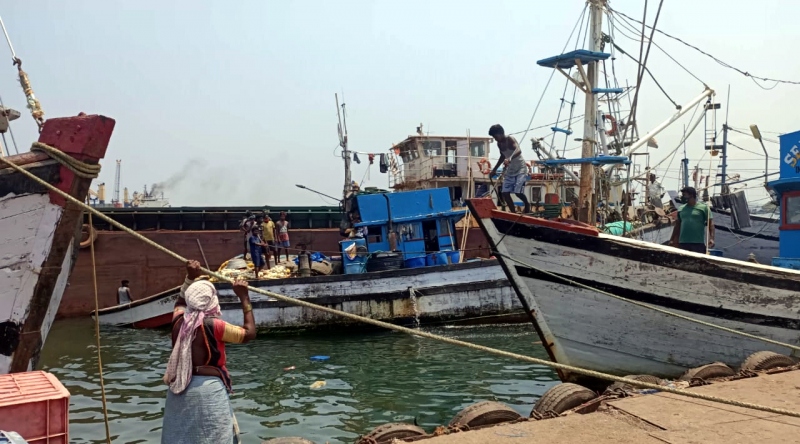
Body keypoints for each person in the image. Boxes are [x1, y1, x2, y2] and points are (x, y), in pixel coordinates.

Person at [161, 260, 256, 444]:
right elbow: (249, 334)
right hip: (209, 390)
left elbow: (180, 301)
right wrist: (244, 297)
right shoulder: (215, 325)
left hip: (178, 390)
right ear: (212, 299)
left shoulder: (177, 322)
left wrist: (190, 277)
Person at [488, 124, 531, 214]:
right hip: (510, 170)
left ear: (500, 133)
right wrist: (494, 169)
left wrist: (510, 158)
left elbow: (518, 150)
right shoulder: (499, 144)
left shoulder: (510, 139)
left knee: (518, 192)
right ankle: (513, 212)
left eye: (495, 137)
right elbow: (502, 156)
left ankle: (527, 205)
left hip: (520, 168)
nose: (495, 139)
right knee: (505, 192)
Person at [670, 186, 715, 254]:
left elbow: (711, 224)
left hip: (698, 243)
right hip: (683, 243)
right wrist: (672, 239)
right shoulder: (681, 209)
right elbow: (677, 225)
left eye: (684, 195)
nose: (682, 197)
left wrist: (711, 238)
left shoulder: (704, 208)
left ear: (691, 195)